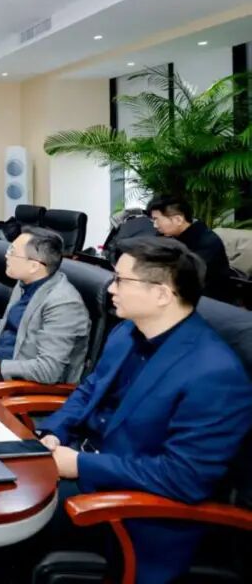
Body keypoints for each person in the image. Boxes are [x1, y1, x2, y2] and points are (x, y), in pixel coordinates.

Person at [33, 237, 252, 583]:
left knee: (3, 526)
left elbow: (183, 478)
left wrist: (80, 464)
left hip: (133, 509)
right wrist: (53, 431)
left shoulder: (214, 372)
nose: (110, 289)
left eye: (121, 280)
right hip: (81, 461)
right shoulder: (126, 332)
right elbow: (88, 391)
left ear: (162, 294)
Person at [0, 227, 89, 384]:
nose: (6, 255)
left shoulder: (64, 304)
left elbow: (48, 370)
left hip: (16, 385)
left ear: (34, 266)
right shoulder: (24, 283)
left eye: (12, 252)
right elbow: (2, 326)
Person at [146, 194, 231, 301]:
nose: (155, 225)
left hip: (207, 299)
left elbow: (188, 277)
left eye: (157, 220)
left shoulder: (207, 242)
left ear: (178, 220)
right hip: (175, 291)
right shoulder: (166, 235)